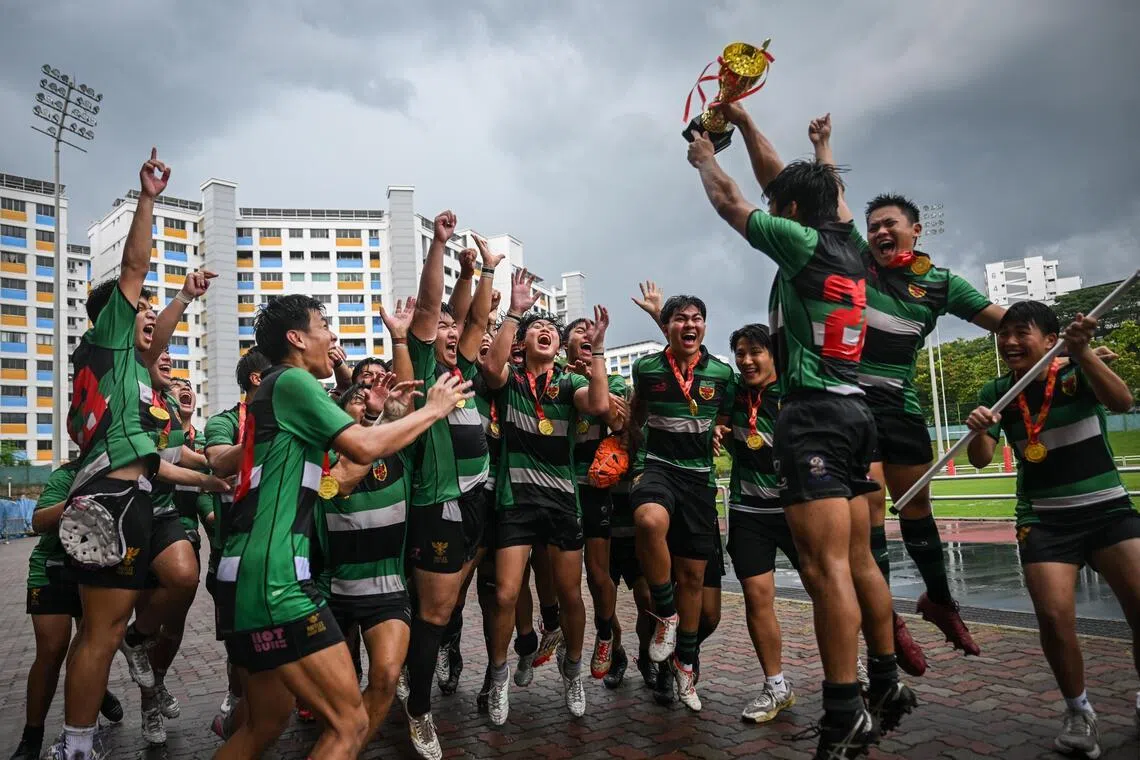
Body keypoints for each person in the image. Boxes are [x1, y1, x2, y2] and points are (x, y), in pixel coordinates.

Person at [688, 105, 915, 755]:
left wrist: (708, 160)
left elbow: (737, 203)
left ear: (790, 209)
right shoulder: (846, 237)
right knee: (858, 559)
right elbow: (800, 184)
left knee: (823, 570)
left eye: (777, 203)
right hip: (857, 412)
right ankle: (884, 678)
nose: (771, 205)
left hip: (812, 415)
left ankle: (844, 710)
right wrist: (749, 118)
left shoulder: (801, 240)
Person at [213, 293, 471, 760]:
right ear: (296, 338)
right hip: (275, 579)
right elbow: (364, 450)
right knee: (349, 723)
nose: (332, 337)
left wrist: (374, 414)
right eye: (324, 326)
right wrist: (434, 408)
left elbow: (340, 456)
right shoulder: (292, 381)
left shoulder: (277, 390)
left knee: (264, 725)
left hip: (244, 575)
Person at [807, 115, 998, 673]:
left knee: (915, 508)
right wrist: (823, 147)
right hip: (850, 404)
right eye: (874, 226)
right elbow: (832, 205)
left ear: (916, 231)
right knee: (867, 516)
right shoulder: (855, 262)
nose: (880, 232)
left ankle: (938, 600)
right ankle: (884, 617)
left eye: (890, 224)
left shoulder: (940, 283)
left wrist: (1067, 345)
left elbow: (1007, 323)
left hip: (901, 406)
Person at [46, 149, 219, 760]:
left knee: (176, 578)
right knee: (99, 632)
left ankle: (142, 648)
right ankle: (75, 744)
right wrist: (148, 197)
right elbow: (134, 265)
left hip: (142, 494)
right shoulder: (107, 338)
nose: (147, 316)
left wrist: (183, 299)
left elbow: (159, 336)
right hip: (109, 498)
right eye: (138, 311)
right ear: (115, 320)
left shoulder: (136, 373)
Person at [966, 301, 1138, 759]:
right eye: (1003, 334)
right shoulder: (998, 391)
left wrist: (1083, 355)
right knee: (1054, 619)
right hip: (1044, 520)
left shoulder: (1074, 374)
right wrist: (980, 430)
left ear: (1049, 339)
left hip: (1108, 511)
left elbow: (1122, 402)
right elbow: (981, 459)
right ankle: (1079, 712)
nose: (1008, 342)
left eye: (1022, 332)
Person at [480, 269, 611, 725]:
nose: (546, 333)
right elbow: (491, 368)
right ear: (523, 339)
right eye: (538, 329)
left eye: (552, 331)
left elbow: (598, 407)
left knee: (571, 596)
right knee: (505, 594)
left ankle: (572, 670)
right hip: (516, 503)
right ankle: (497, 679)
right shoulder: (511, 381)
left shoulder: (571, 383)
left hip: (561, 503)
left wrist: (596, 351)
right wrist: (515, 311)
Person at [395, 211, 501, 760]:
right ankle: (418, 711)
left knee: (445, 606)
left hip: (477, 500)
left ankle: (426, 660)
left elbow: (476, 320)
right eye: (441, 331)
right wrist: (438, 246)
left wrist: (485, 269)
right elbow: (435, 308)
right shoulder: (419, 371)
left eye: (457, 334)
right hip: (437, 502)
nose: (451, 334)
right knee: (434, 611)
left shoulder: (468, 375)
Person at [628, 293, 735, 712]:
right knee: (649, 521)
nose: (689, 325)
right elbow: (637, 415)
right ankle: (667, 619)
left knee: (696, 586)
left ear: (705, 327)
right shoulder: (647, 368)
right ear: (667, 325)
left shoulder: (723, 374)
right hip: (658, 468)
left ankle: (686, 663)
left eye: (696, 319)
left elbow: (723, 418)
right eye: (679, 319)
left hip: (699, 482)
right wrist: (636, 463)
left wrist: (720, 431)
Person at [314, 377, 420, 747]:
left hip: (387, 590)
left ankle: (346, 752)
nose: (366, 405)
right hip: (333, 593)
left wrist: (390, 417)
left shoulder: (398, 452)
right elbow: (340, 483)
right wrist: (383, 423)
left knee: (386, 679)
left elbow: (404, 417)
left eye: (369, 401)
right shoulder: (322, 460)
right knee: (338, 698)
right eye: (356, 402)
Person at [9, 463, 123, 760]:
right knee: (51, 650)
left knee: (92, 642)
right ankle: (31, 737)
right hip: (52, 568)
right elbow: (38, 522)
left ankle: (90, 692)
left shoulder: (125, 472)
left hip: (95, 569)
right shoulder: (67, 475)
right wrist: (81, 499)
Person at [714, 323, 799, 723]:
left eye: (756, 352)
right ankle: (776, 685)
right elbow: (687, 345)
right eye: (741, 353)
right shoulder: (731, 391)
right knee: (757, 597)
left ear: (773, 354)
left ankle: (853, 669)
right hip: (749, 512)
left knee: (829, 590)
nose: (747, 361)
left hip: (799, 510)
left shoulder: (797, 391)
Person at [203, 347, 272, 740]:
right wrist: (264, 433)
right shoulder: (225, 422)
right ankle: (235, 699)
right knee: (238, 639)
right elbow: (217, 461)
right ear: (257, 381)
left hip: (280, 547)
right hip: (232, 551)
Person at [563, 316, 630, 678]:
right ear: (565, 345)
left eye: (592, 330)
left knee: (597, 573)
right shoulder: (556, 378)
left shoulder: (614, 379)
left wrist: (592, 376)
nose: (586, 334)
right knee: (564, 580)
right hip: (557, 488)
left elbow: (613, 414)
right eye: (578, 330)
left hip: (595, 489)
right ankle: (558, 630)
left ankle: (607, 636)